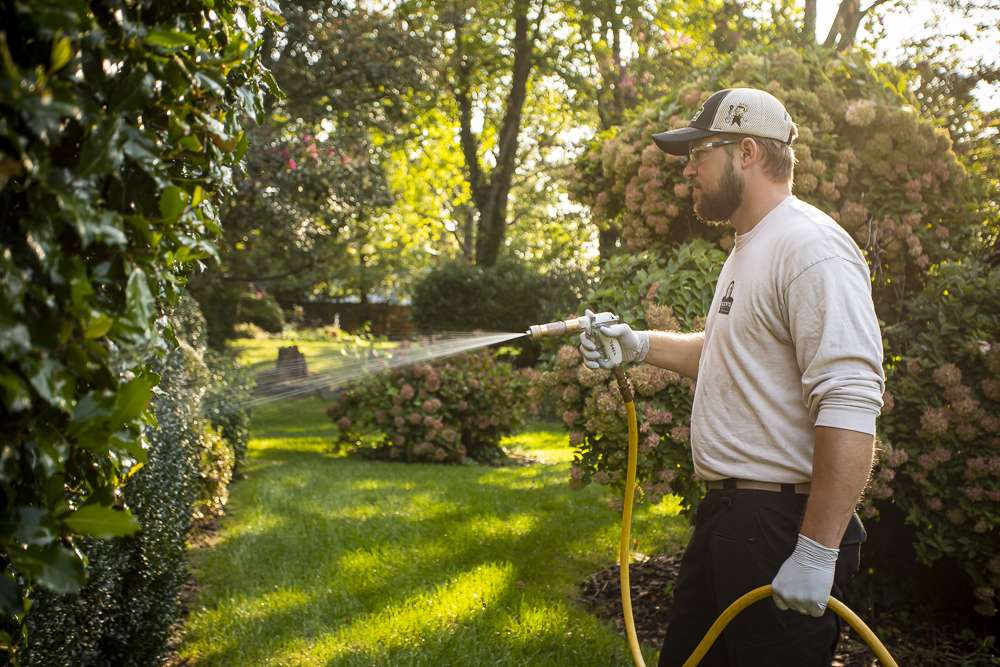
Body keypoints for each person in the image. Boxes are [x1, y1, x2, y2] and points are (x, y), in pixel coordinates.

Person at [579, 88, 885, 666]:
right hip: (732, 520)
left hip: (780, 527)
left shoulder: (810, 247)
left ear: (747, 152)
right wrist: (638, 345)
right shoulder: (753, 245)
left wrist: (817, 551)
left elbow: (849, 400)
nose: (688, 170)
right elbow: (725, 353)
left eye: (700, 152)